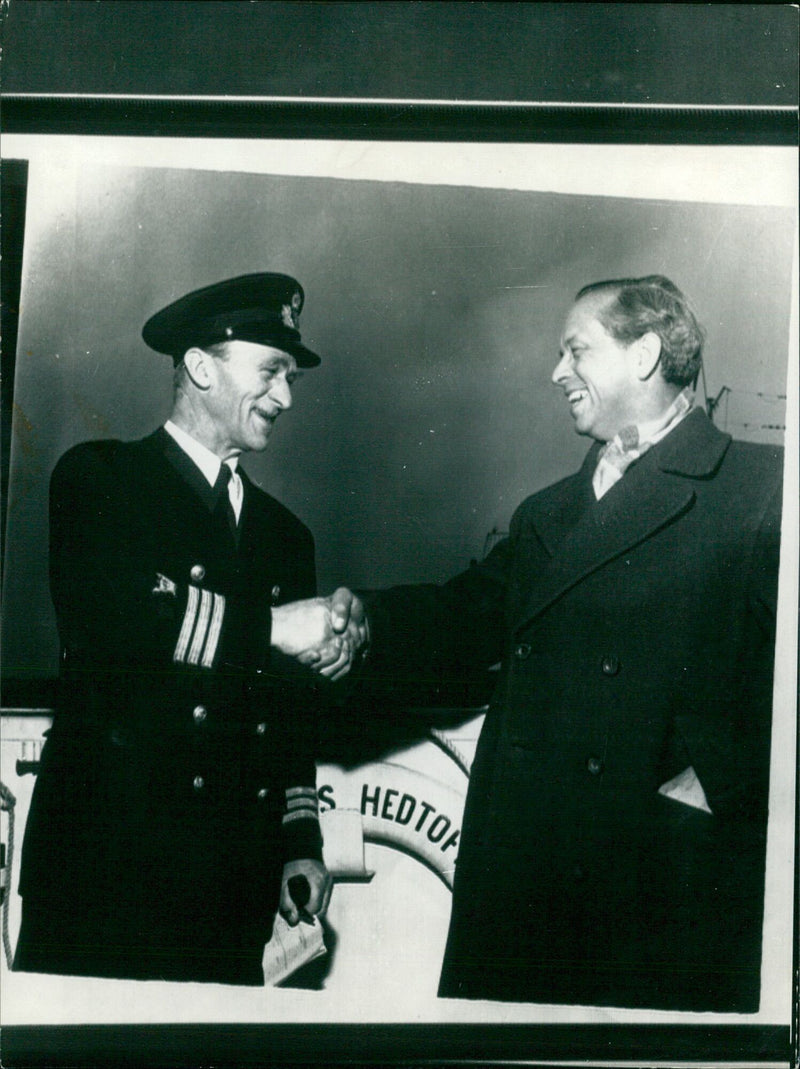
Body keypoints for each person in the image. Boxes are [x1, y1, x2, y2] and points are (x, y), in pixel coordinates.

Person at [307, 275, 784, 1012]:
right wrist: (365, 619)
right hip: (523, 862)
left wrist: (717, 781)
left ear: (645, 354)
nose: (556, 373)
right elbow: (466, 615)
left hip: (655, 871)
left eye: (576, 350)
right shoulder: (549, 511)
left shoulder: (760, 490)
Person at [14, 272, 362, 985]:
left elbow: (286, 717)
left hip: (230, 885)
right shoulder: (99, 479)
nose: (285, 398)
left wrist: (299, 841)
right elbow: (117, 620)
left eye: (291, 378)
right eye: (270, 372)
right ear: (200, 367)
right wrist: (272, 626)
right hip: (104, 872)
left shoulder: (285, 536)